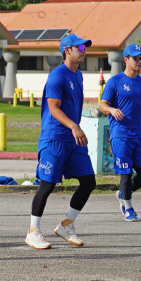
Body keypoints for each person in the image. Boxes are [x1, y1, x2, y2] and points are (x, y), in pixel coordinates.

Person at [25, 34, 96, 249]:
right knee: (47, 185)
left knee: (89, 182)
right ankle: (33, 231)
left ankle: (66, 225)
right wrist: (73, 125)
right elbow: (53, 108)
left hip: (73, 139)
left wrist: (75, 128)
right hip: (54, 138)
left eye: (85, 46)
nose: (84, 50)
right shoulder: (57, 76)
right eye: (80, 46)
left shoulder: (79, 75)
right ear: (67, 50)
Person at [100, 44, 141, 222]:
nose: (140, 61)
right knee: (125, 172)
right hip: (120, 134)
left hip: (139, 135)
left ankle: (123, 194)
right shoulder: (115, 81)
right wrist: (111, 110)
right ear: (126, 59)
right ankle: (128, 207)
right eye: (136, 58)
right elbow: (103, 105)